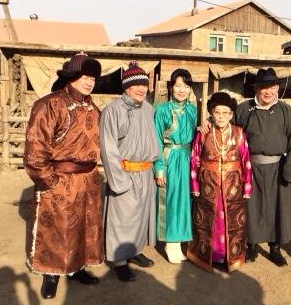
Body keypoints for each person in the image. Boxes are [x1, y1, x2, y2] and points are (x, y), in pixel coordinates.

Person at [202, 68, 291, 266]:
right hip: (250, 167)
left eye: (272, 87)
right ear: (256, 89)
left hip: (277, 168)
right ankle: (252, 246)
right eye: (263, 87)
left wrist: (290, 173)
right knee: (251, 208)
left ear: (277, 88)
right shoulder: (244, 109)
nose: (268, 91)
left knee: (276, 209)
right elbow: (224, 125)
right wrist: (207, 122)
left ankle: (275, 248)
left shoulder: (286, 111)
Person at [24, 53, 104, 299]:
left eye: (92, 78)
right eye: (84, 77)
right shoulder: (49, 105)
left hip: (88, 179)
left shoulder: (92, 108)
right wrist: (50, 181)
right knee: (57, 229)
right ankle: (51, 274)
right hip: (61, 180)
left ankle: (77, 268)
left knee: (82, 228)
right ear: (71, 76)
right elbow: (35, 150)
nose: (89, 82)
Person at [100, 62, 159, 282]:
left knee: (140, 218)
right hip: (125, 173)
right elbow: (108, 149)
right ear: (126, 86)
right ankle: (119, 261)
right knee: (122, 219)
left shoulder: (148, 108)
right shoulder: (112, 110)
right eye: (137, 85)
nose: (142, 89)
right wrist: (120, 181)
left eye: (144, 84)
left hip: (145, 172)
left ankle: (134, 250)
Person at [188, 92, 252, 272]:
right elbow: (194, 158)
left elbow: (246, 160)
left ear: (231, 114)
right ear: (211, 113)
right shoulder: (203, 133)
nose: (221, 116)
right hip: (208, 184)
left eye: (225, 113)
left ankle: (229, 256)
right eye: (217, 112)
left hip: (233, 186)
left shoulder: (239, 133)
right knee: (211, 220)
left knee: (231, 222)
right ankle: (211, 255)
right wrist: (195, 185)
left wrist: (247, 187)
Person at [153, 69, 197, 263]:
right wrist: (159, 168)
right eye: (178, 85)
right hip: (170, 157)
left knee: (185, 201)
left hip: (187, 158)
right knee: (171, 200)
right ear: (171, 87)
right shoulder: (162, 110)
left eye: (186, 86)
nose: (181, 90)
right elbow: (156, 140)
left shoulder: (193, 109)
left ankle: (179, 242)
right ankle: (170, 243)